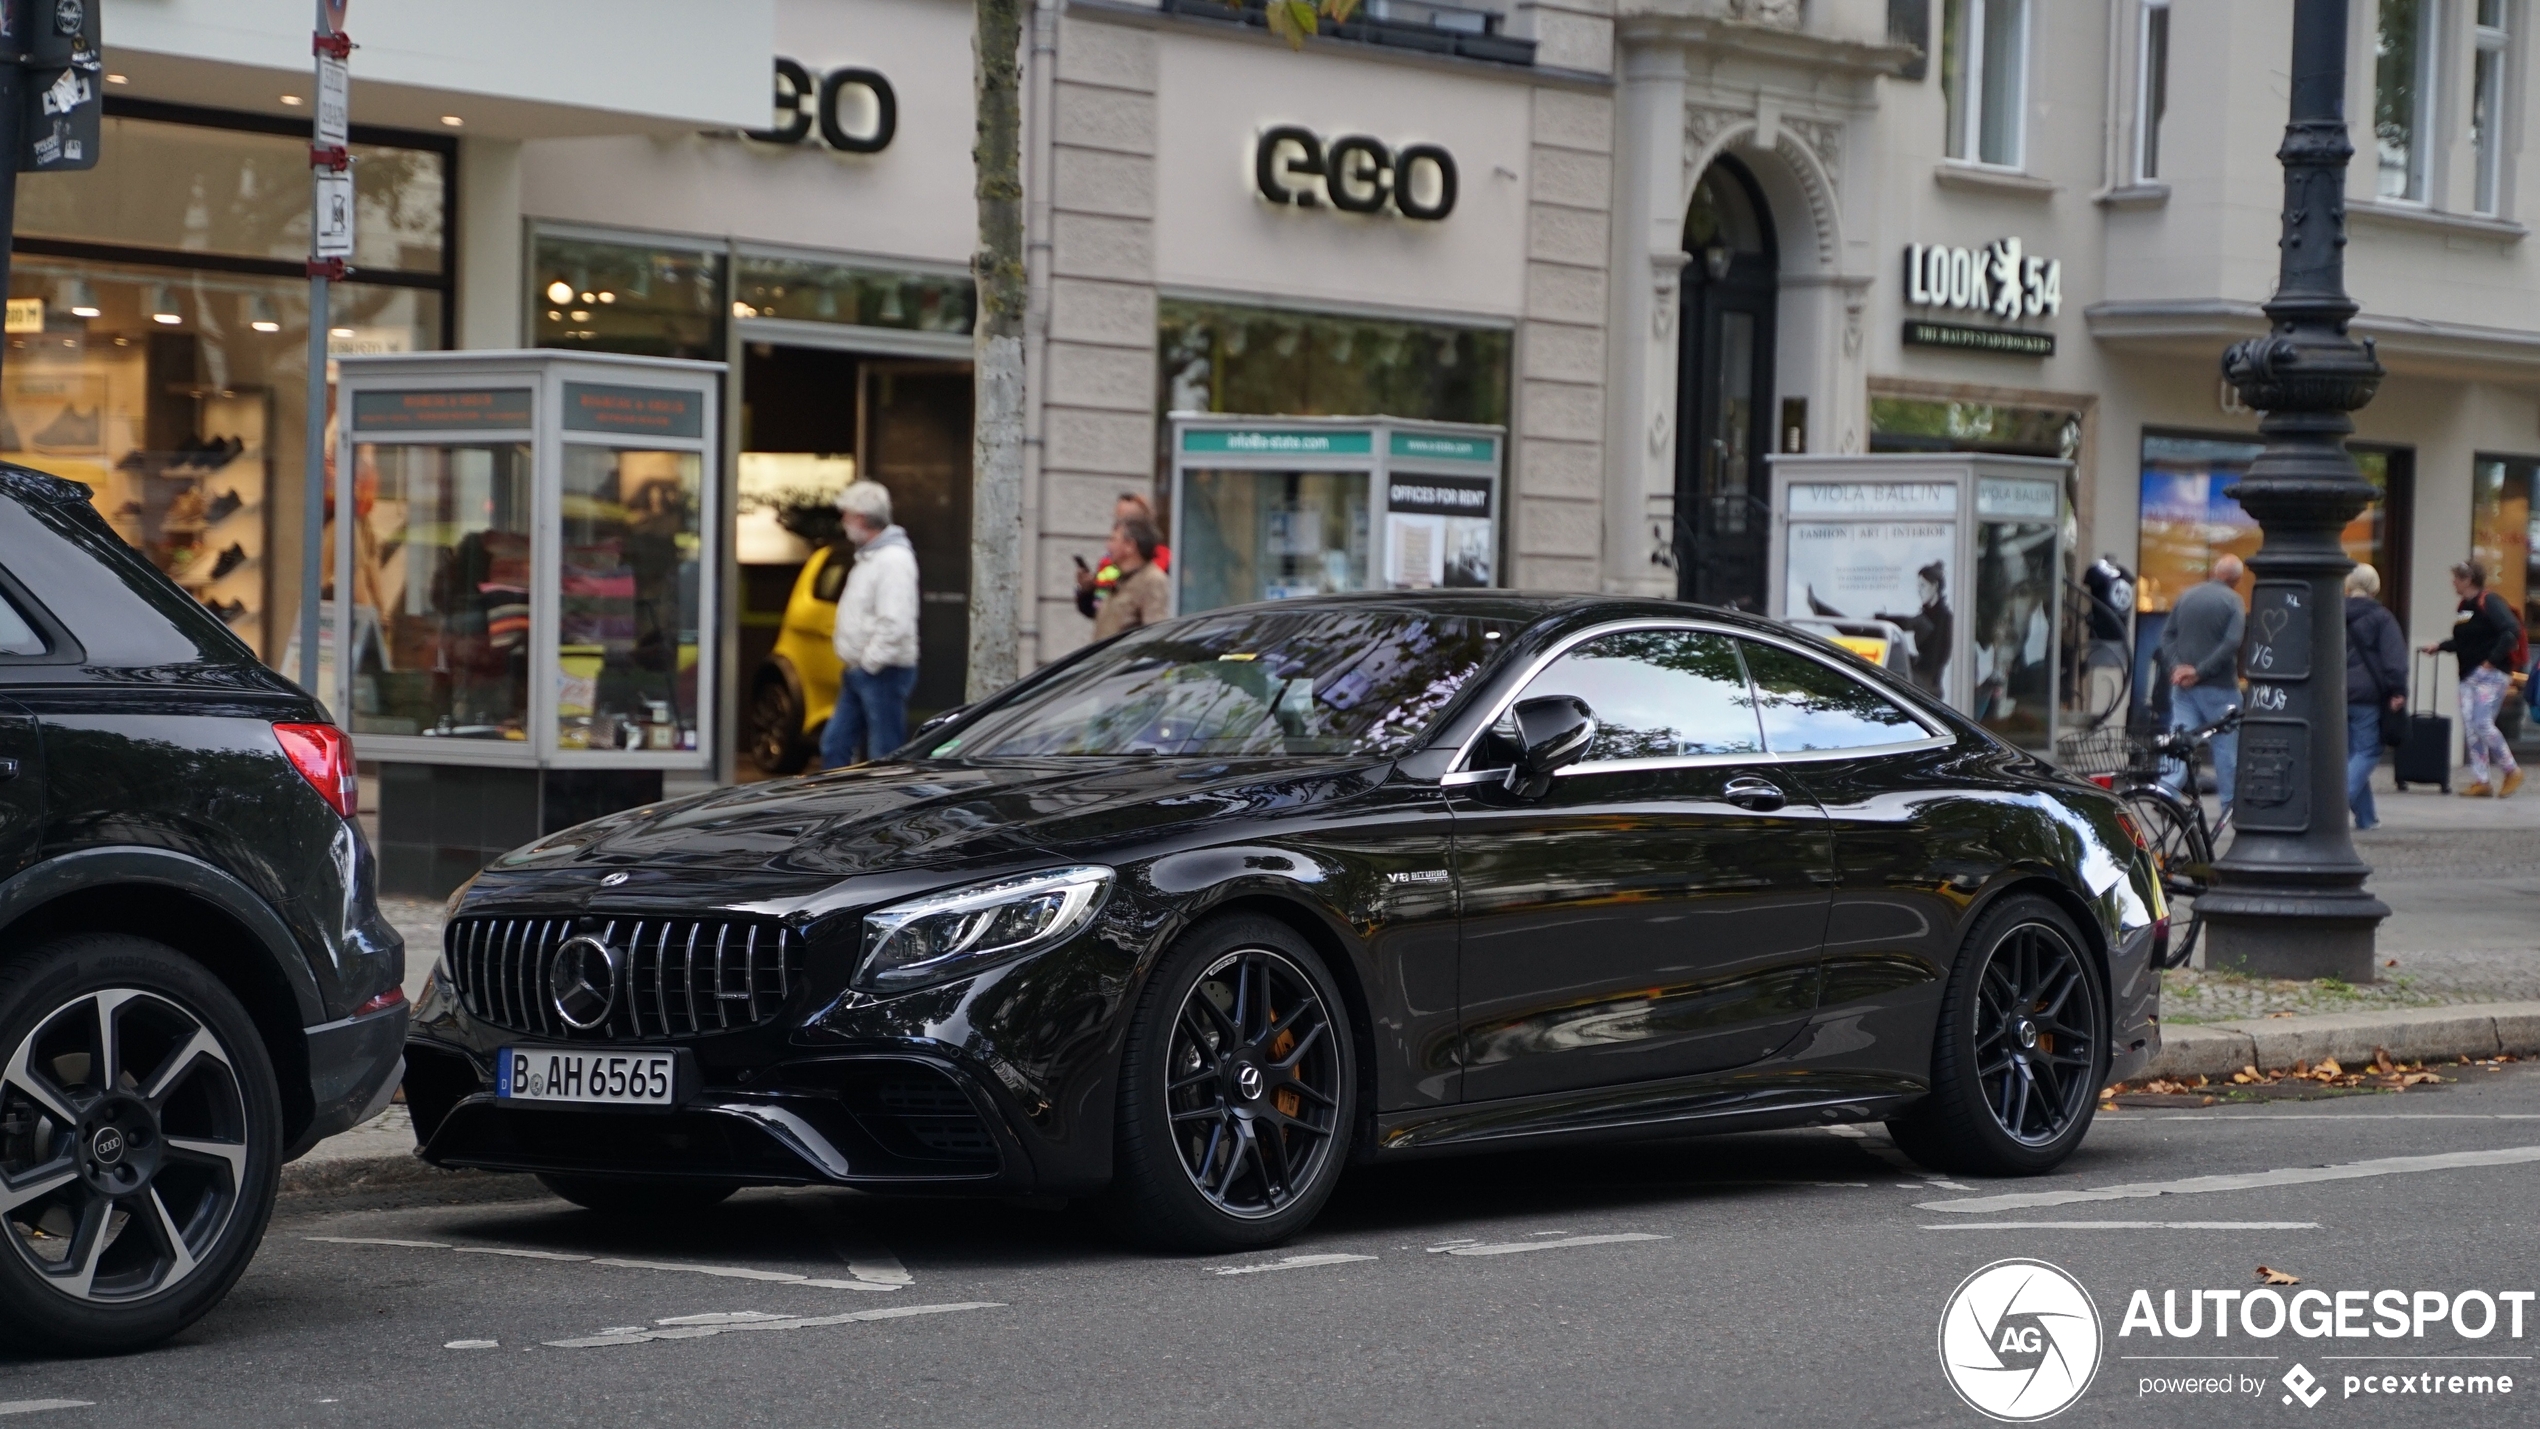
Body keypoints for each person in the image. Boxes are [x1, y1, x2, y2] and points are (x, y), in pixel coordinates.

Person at [820, 481, 920, 769]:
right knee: (835, 745)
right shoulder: (873, 557)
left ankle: (885, 811)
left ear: (862, 518)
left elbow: (895, 622)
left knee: (883, 755)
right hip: (863, 670)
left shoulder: (892, 561)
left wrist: (870, 663)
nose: (844, 523)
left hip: (882, 671)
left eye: (847, 515)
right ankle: (837, 804)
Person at [2423, 559, 2524, 797]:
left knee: (2482, 723)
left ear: (2468, 580)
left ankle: (2511, 769)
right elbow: (2464, 641)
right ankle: (2482, 780)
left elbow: (2511, 630)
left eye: (2457, 578)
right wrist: (2439, 646)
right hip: (2468, 674)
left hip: (2490, 674)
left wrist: (2491, 661)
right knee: (2471, 727)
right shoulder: (2464, 606)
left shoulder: (2489, 601)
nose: (2453, 583)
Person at [2155, 553, 2245, 809]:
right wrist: (2200, 671)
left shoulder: (2187, 595)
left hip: (2183, 687)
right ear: (2236, 580)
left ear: (2214, 572)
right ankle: (2230, 804)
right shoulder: (2234, 602)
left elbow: (2167, 636)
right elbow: (2232, 643)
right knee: (2226, 748)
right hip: (2220, 688)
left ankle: (2165, 793)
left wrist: (2177, 668)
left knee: (2179, 740)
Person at [2343, 563, 2407, 830]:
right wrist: (2398, 689)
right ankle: (2333, 807)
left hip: (2335, 694)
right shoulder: (2381, 617)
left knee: (2350, 756)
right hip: (2367, 695)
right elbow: (2394, 659)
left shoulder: (2332, 613)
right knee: (2368, 750)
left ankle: (2367, 818)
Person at [1076, 492, 1171, 621]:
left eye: (1128, 519)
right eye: (1118, 518)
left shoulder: (1164, 563)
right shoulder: (1110, 566)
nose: (1118, 526)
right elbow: (1096, 609)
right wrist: (1088, 590)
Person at [1876, 560, 1953, 697]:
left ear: (1934, 586)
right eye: (1918, 586)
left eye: (1922, 586)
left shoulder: (1940, 617)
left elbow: (1909, 623)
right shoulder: (1930, 614)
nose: (1919, 590)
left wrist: (1883, 619)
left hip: (1926, 688)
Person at [1091, 514, 1170, 640]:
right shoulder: (1119, 577)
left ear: (1130, 546)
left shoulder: (1152, 580)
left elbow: (1155, 636)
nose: (1108, 546)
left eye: (1113, 539)